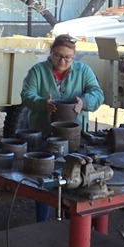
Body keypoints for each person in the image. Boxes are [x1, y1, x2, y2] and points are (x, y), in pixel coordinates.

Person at [20, 33, 104, 220]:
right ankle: (43, 222)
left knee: (75, 178)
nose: (62, 61)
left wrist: (84, 102)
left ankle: (72, 220)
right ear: (51, 53)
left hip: (75, 138)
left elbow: (97, 94)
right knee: (45, 179)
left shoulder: (83, 71)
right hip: (44, 136)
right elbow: (26, 95)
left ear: (74, 57)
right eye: (58, 55)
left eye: (67, 57)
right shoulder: (38, 71)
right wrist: (42, 103)